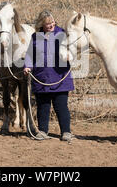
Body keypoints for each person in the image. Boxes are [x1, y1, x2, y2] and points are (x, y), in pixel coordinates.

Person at [23, 10, 75, 141]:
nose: (51, 25)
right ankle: (43, 131)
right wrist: (28, 66)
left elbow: (72, 48)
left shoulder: (62, 34)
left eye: (52, 22)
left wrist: (70, 56)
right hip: (41, 77)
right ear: (41, 24)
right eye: (48, 24)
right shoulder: (35, 37)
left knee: (61, 106)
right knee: (43, 106)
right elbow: (30, 54)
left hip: (60, 77)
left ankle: (66, 132)